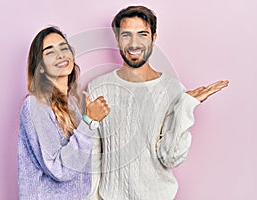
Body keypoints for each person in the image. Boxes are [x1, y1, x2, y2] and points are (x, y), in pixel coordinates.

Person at [87, 6, 229, 200]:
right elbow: (94, 155)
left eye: (142, 34)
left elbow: (170, 158)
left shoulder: (172, 90)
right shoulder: (98, 88)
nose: (134, 43)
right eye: (126, 35)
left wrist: (185, 107)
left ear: (154, 38)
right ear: (117, 39)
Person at [17, 26, 109, 199]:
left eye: (64, 48)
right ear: (40, 67)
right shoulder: (34, 105)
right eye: (50, 52)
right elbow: (59, 168)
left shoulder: (72, 105)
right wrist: (89, 121)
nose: (60, 55)